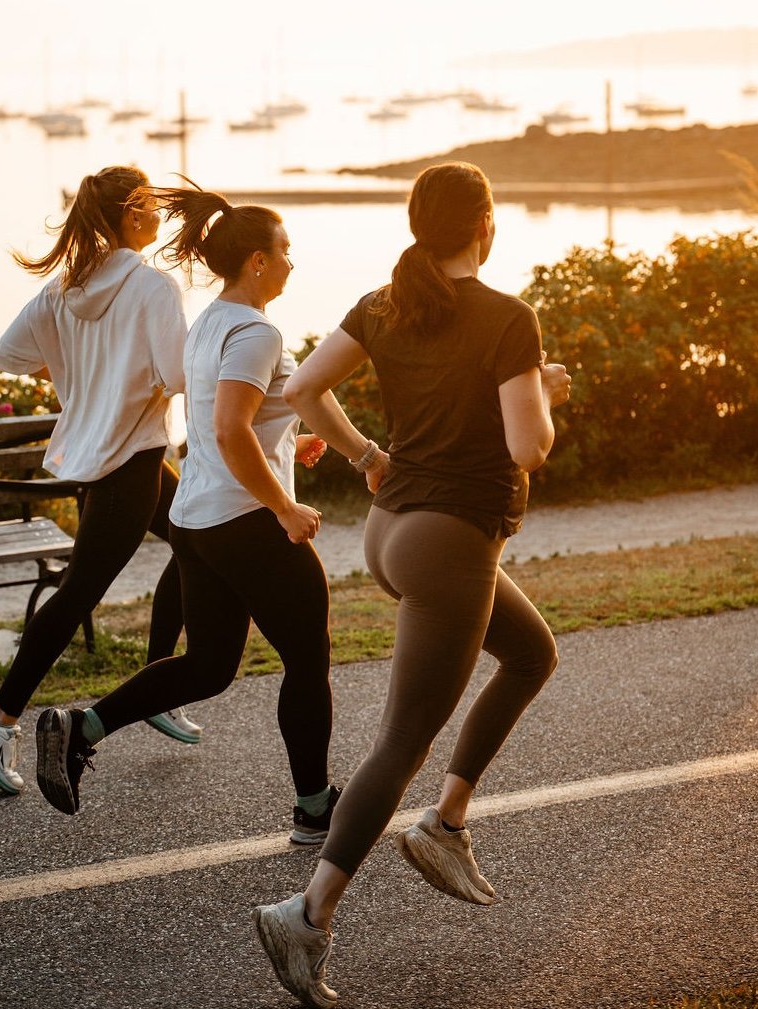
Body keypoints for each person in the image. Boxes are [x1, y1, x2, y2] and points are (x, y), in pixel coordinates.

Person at [252, 161, 572, 1008]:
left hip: (392, 533)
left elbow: (300, 389)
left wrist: (363, 456)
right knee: (401, 741)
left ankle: (446, 823)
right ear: (485, 227)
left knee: (531, 654)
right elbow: (529, 446)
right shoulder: (509, 318)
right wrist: (544, 389)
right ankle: (306, 914)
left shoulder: (383, 303)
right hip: (448, 543)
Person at [34, 180, 341, 845]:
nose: (291, 261)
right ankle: (314, 808)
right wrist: (284, 506)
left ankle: (79, 727)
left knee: (207, 667)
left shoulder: (210, 322)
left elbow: (220, 418)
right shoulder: (257, 330)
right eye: (283, 249)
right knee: (307, 658)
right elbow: (230, 429)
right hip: (244, 521)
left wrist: (292, 437)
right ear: (256, 260)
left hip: (197, 522)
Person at [0, 165, 203, 798]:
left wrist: (82, 384)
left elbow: (9, 356)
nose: (158, 217)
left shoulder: (65, 287)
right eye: (150, 206)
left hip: (102, 458)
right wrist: (130, 383)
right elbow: (180, 375)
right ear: (130, 214)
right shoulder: (152, 286)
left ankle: (158, 686)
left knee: (193, 541)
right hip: (131, 462)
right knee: (77, 594)